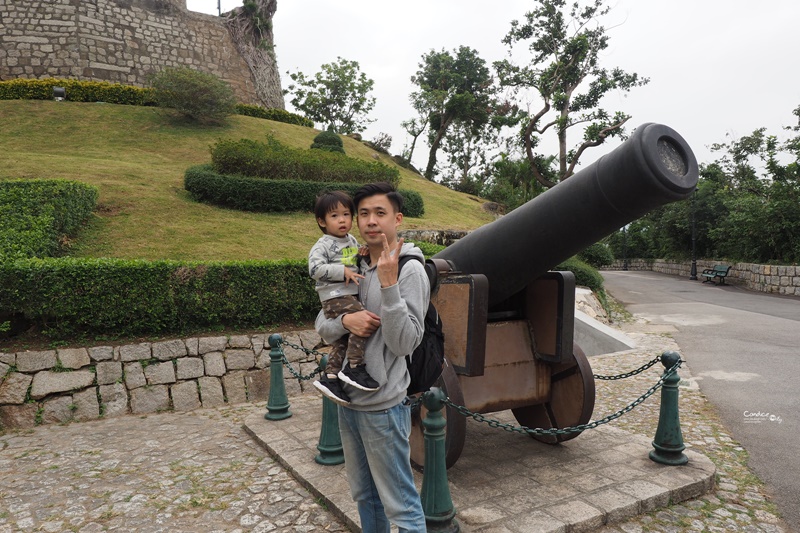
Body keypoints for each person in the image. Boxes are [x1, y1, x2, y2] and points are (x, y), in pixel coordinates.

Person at [315, 182, 428, 532]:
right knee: (364, 495)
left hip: (382, 406)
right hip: (347, 402)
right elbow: (322, 320)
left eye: (380, 213)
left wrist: (389, 285)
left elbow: (404, 343)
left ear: (398, 218)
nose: (370, 221)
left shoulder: (410, 269)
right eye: (363, 213)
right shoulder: (353, 259)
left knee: (401, 506)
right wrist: (346, 320)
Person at [309, 191, 381, 406]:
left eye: (346, 214)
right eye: (334, 216)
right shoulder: (323, 244)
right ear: (322, 221)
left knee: (343, 339)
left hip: (347, 293)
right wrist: (342, 272)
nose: (342, 220)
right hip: (334, 295)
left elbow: (352, 260)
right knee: (362, 322)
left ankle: (330, 377)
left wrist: (362, 254)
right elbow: (314, 268)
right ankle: (355, 367)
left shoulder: (350, 240)